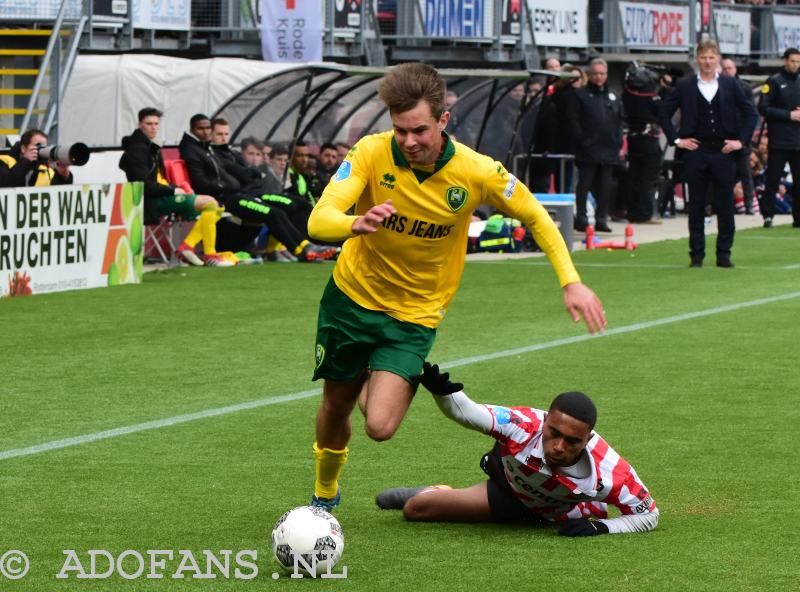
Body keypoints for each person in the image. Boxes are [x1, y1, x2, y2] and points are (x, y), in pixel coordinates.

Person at [305, 62, 606, 511]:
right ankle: (324, 494)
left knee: (380, 426)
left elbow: (535, 216)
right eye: (400, 130)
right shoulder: (370, 152)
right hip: (351, 298)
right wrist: (355, 222)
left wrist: (572, 281)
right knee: (335, 407)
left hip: (414, 313)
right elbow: (318, 220)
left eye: (420, 130)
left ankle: (378, 368)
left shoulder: (477, 171)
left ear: (444, 120)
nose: (408, 141)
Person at [376, 363, 659, 536]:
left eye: (572, 441)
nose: (559, 447)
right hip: (509, 486)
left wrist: (604, 527)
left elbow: (648, 515)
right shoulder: (523, 424)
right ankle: (439, 490)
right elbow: (469, 413)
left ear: (587, 440)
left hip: (549, 511)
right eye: (554, 433)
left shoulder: (609, 472)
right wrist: (443, 393)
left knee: (416, 511)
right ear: (546, 421)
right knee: (415, 510)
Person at [659, 40, 758, 268]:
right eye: (703, 57)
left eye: (711, 57)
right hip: (696, 151)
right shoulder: (684, 85)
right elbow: (664, 113)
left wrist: (740, 142)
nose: (707, 62)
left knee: (725, 204)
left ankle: (724, 253)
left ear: (718, 59)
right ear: (697, 59)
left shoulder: (730, 84)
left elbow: (751, 113)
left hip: (723, 151)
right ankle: (696, 255)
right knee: (696, 204)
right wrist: (677, 140)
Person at [181, 117, 336, 262]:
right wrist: (241, 181)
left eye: (226, 134)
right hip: (234, 198)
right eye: (219, 133)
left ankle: (308, 244)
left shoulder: (228, 154)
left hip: (249, 193)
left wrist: (249, 179)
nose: (223, 137)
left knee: (297, 204)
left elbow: (245, 175)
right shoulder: (211, 154)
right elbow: (234, 177)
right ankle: (301, 250)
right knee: (275, 212)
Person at [118, 108, 231, 267]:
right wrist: (173, 190)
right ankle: (207, 254)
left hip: (163, 195)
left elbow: (160, 179)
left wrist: (178, 187)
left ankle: (188, 247)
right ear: (139, 125)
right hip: (151, 201)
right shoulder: (137, 150)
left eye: (156, 124)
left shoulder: (151, 146)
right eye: (149, 123)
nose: (153, 127)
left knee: (218, 206)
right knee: (211, 204)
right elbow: (143, 185)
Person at [567, 58, 625, 232]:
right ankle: (582, 219)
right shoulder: (581, 95)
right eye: (596, 74)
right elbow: (573, 121)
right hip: (588, 149)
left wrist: (618, 141)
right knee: (584, 185)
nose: (599, 77)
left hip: (609, 149)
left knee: (605, 186)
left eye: (602, 73)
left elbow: (619, 121)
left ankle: (602, 219)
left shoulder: (613, 96)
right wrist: (583, 140)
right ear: (590, 75)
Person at [758, 47, 800, 229]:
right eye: (793, 61)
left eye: (798, 62)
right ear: (785, 61)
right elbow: (763, 108)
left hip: (798, 142)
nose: (796, 65)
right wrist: (788, 115)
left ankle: (798, 217)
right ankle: (768, 215)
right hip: (779, 140)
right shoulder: (774, 81)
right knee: (773, 181)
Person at [622, 64, 664, 224]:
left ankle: (633, 211)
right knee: (648, 178)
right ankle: (645, 213)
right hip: (648, 140)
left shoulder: (626, 96)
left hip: (633, 139)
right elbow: (663, 112)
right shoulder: (651, 97)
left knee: (634, 176)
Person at [721, 58, 757, 216]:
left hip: (741, 137)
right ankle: (721, 205)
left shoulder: (744, 87)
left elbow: (750, 114)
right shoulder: (717, 87)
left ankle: (749, 205)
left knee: (745, 173)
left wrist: (745, 138)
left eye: (730, 68)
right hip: (723, 137)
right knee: (722, 173)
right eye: (725, 68)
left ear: (735, 69)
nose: (728, 70)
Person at [0, 128, 73, 187]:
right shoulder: (3, 161)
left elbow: (59, 194)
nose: (41, 149)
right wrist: (25, 161)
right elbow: (5, 183)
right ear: (23, 149)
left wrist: (64, 175)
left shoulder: (45, 169)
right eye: (38, 145)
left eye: (44, 147)